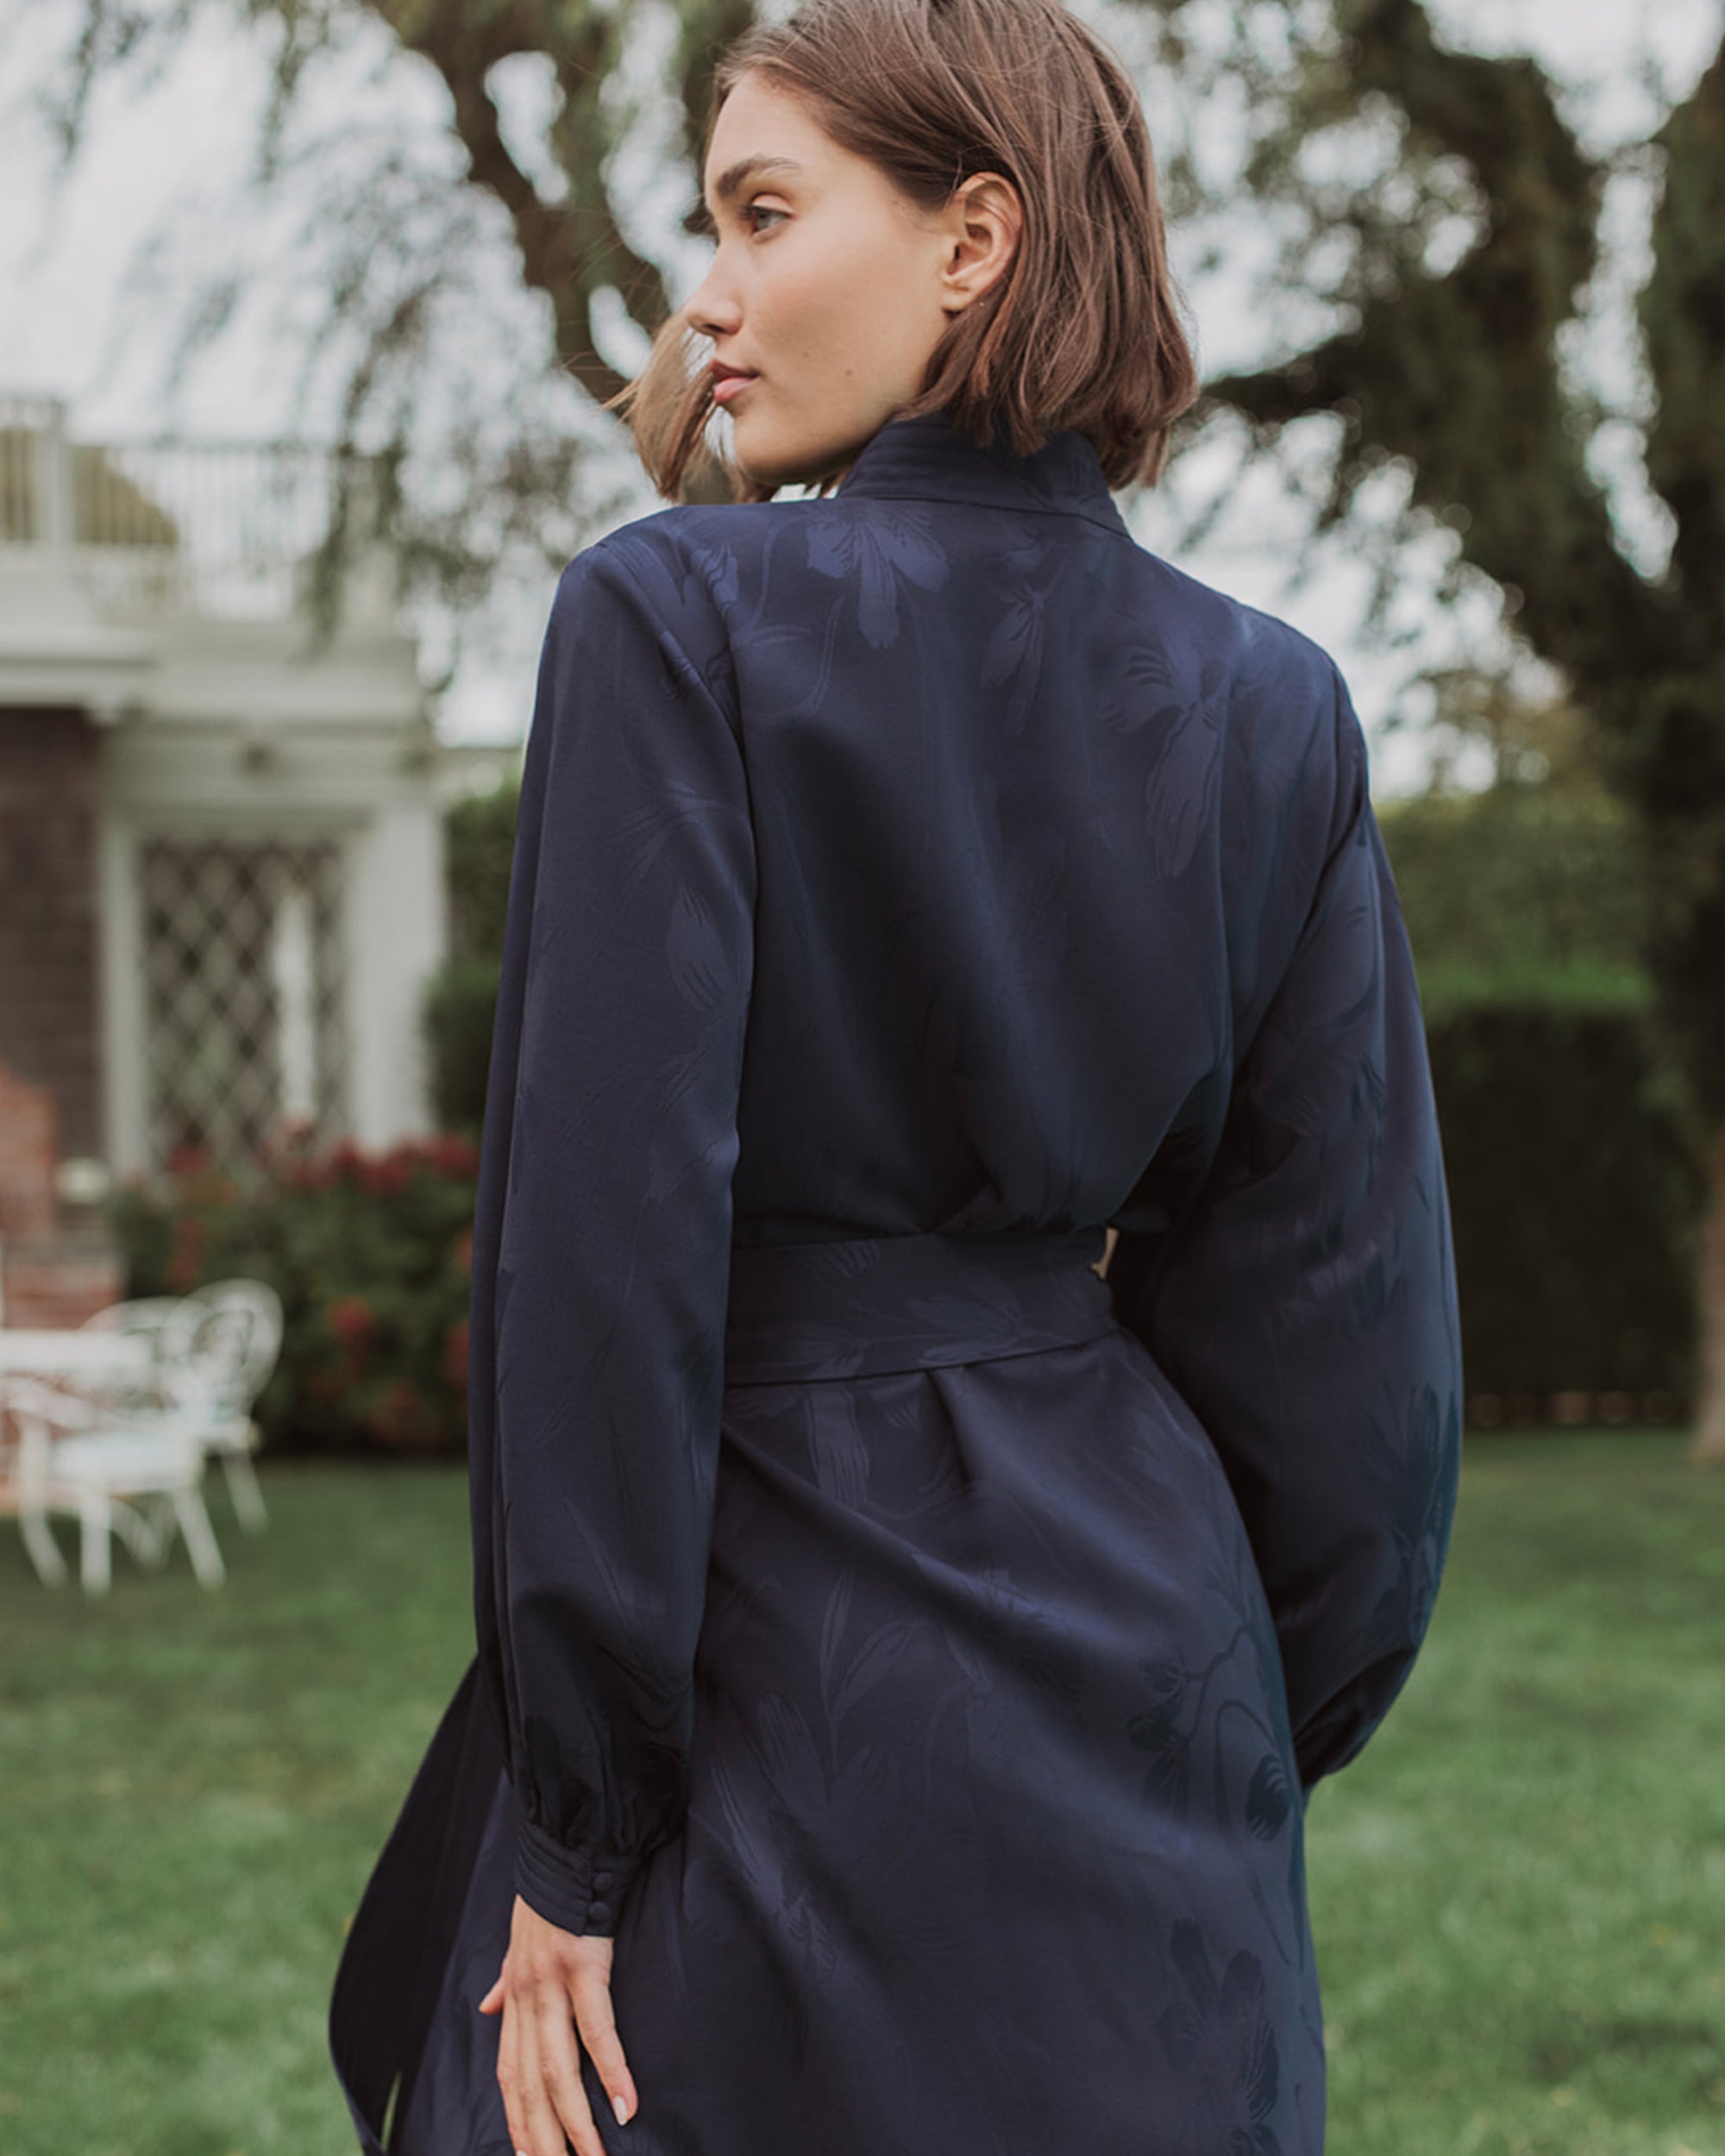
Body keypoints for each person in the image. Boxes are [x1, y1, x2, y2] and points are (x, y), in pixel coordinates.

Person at [328, 0, 1463, 2148]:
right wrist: (1225, 1714)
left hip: (755, 1683)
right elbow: (1348, 1348)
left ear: (975, 237)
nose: (705, 297)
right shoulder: (1274, 703)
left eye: (761, 214)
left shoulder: (672, 621)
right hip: (1143, 1707)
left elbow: (602, 1266)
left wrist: (573, 1830)